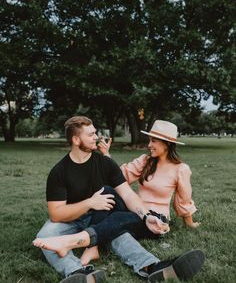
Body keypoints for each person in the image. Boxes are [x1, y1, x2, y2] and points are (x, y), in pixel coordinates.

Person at [34, 116, 205, 283]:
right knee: (45, 235)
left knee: (115, 227)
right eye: (91, 134)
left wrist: (146, 216)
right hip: (73, 217)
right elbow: (56, 214)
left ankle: (152, 267)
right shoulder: (59, 172)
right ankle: (77, 272)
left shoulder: (106, 164)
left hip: (103, 215)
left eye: (95, 133)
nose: (97, 137)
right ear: (76, 140)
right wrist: (89, 203)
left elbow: (128, 194)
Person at [78, 119, 200, 266]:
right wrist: (106, 154)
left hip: (155, 221)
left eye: (154, 141)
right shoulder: (145, 161)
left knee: (117, 217)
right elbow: (119, 178)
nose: (149, 145)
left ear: (167, 143)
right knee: (107, 191)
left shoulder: (180, 169)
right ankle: (93, 246)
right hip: (135, 210)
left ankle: (86, 243)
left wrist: (190, 223)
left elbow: (183, 201)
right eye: (150, 140)